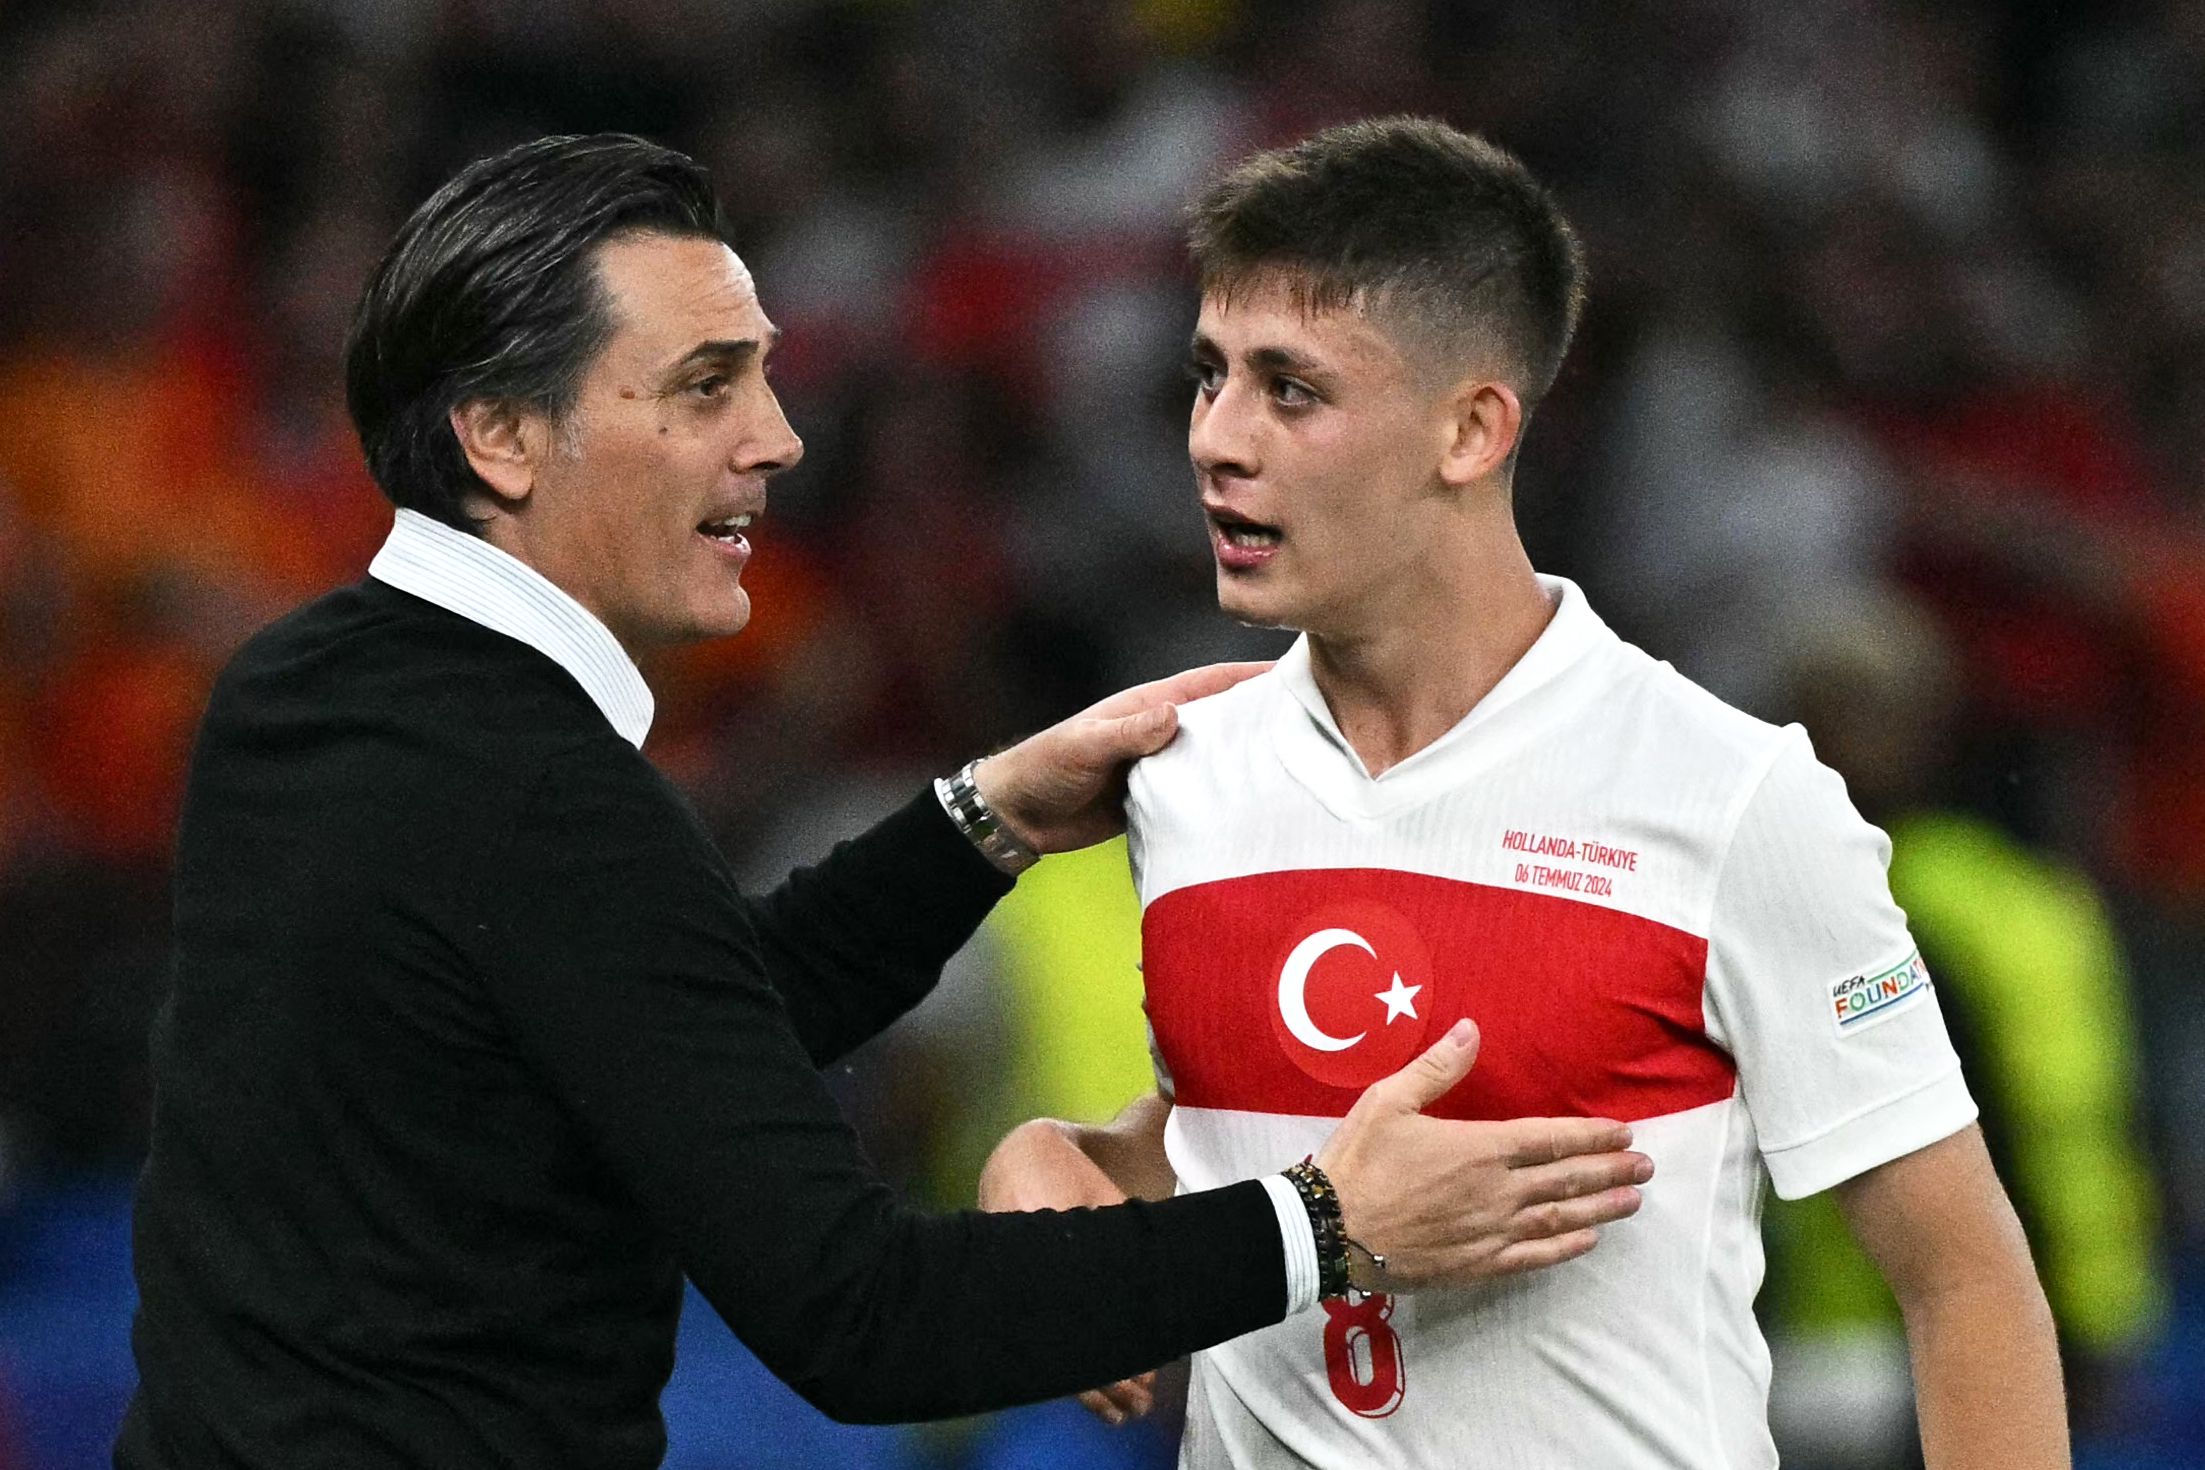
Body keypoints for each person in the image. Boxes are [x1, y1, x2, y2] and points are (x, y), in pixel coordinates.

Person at [114, 134, 1659, 1470]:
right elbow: (864, 1320)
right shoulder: (541, 795)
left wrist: (978, 821)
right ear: (500, 435)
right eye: (707, 385)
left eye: (767, 375)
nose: (776, 437)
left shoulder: (303, 690)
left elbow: (655, 1028)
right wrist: (1318, 1222)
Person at [979, 118, 2068, 1469]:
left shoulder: (1726, 797)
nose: (1216, 439)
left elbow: (1962, 1280)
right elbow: (1242, 1144)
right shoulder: (1187, 780)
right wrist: (1059, 1156)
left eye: (1289, 389)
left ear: (1470, 428)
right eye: (1208, 377)